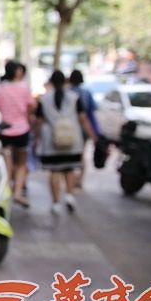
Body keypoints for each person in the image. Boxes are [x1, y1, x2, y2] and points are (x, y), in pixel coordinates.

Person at [34, 70, 96, 214]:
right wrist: (92, 135)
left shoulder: (44, 99)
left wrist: (37, 138)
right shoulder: (74, 97)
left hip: (51, 142)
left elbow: (38, 121)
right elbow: (83, 118)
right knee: (69, 169)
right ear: (65, 82)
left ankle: (55, 202)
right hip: (72, 141)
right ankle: (69, 195)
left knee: (55, 171)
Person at [0, 60, 35, 207]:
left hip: (5, 131)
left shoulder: (0, 88)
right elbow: (30, 107)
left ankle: (6, 190)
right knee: (21, 163)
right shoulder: (24, 88)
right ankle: (17, 193)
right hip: (22, 130)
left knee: (6, 163)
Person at [68, 69, 97, 187]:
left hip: (69, 129)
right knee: (81, 155)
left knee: (70, 155)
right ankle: (79, 179)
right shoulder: (86, 93)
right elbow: (91, 112)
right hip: (82, 129)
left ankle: (72, 178)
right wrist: (93, 132)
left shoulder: (67, 93)